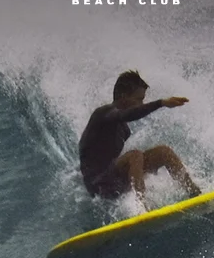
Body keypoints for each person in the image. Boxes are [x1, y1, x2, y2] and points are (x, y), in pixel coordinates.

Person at [78, 70, 201, 211]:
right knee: (135, 155)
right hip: (98, 185)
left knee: (163, 152)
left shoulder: (124, 130)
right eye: (139, 99)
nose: (141, 103)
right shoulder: (103, 113)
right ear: (124, 97)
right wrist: (161, 103)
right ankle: (143, 208)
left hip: (114, 182)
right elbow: (128, 114)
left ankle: (194, 193)